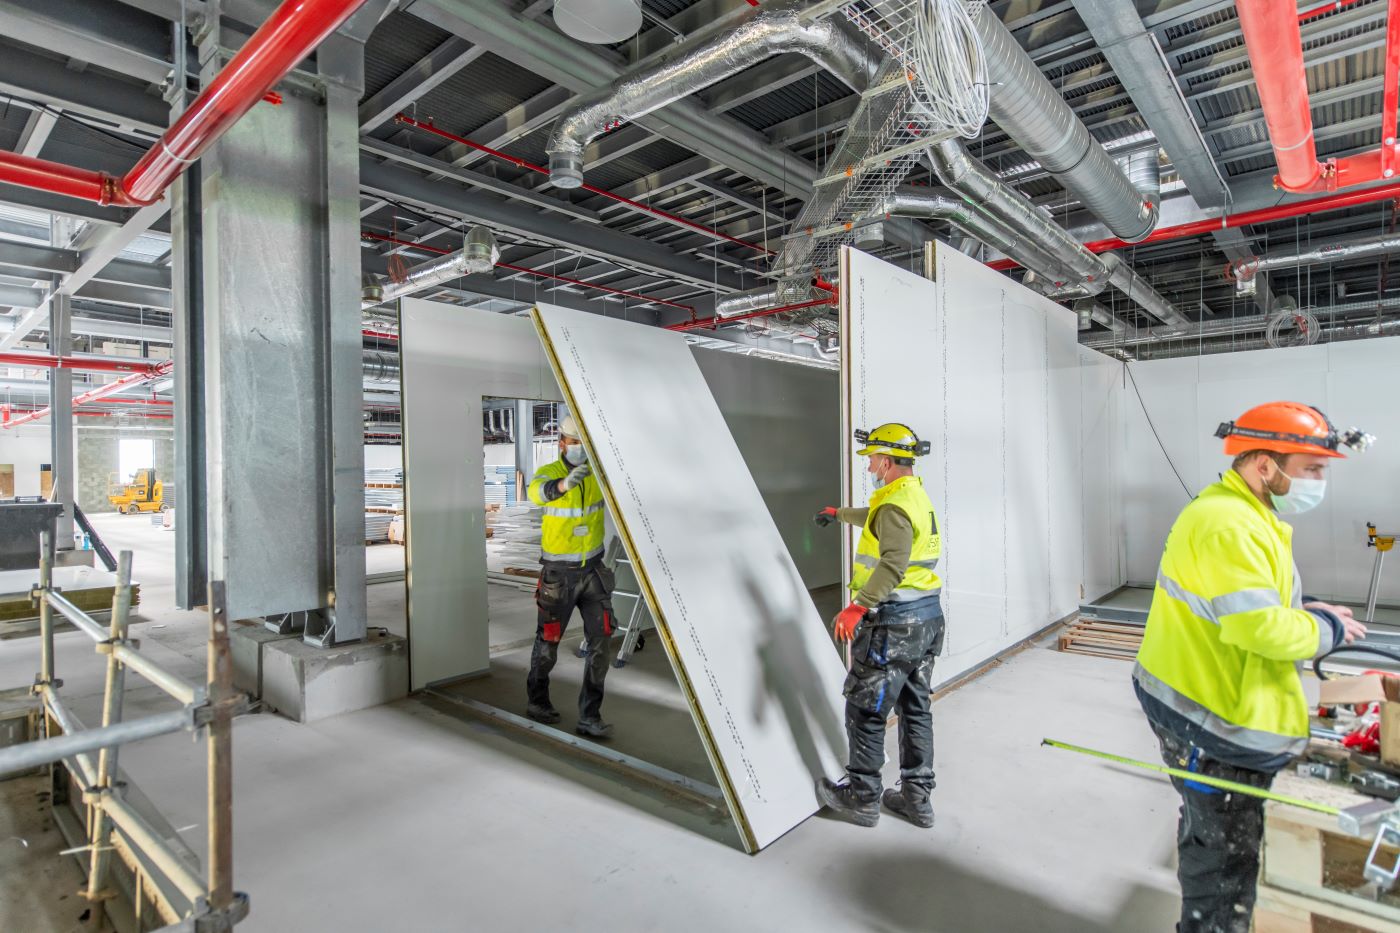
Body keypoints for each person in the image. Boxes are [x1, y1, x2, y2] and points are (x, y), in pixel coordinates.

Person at [1134, 402, 1373, 933]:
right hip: (1208, 720)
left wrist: (1306, 614)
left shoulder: (1247, 512)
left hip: (1213, 702)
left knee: (1213, 833)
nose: (1317, 481)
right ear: (1265, 464)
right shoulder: (1228, 522)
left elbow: (1248, 606)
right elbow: (1258, 629)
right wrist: (1325, 630)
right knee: (1224, 862)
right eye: (1312, 469)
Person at [811, 422, 945, 828]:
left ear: (885, 462)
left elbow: (892, 562)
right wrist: (838, 515)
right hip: (927, 618)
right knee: (915, 707)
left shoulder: (893, 505)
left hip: (894, 623)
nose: (869, 464)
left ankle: (863, 797)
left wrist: (858, 606)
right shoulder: (910, 495)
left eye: (871, 458)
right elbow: (875, 518)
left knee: (867, 709)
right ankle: (916, 799)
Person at [525, 414, 617, 739]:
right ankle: (538, 701)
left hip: (593, 571)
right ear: (562, 443)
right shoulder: (549, 473)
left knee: (601, 644)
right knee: (548, 641)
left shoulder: (596, 474)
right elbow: (536, 493)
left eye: (584, 444)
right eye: (574, 443)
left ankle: (590, 716)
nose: (579, 449)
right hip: (558, 576)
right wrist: (564, 485)